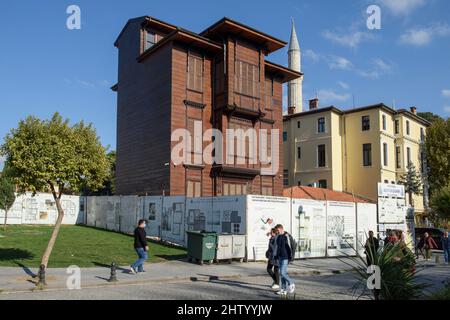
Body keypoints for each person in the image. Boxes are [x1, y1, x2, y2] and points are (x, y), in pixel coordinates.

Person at [273, 224, 296, 295]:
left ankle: (291, 283)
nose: (277, 231)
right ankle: (283, 289)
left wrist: (292, 256)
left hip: (286, 257)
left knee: (282, 273)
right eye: (276, 231)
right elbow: (276, 246)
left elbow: (293, 246)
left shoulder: (287, 236)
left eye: (278, 230)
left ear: (281, 228)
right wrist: (275, 255)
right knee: (282, 274)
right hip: (280, 257)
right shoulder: (278, 236)